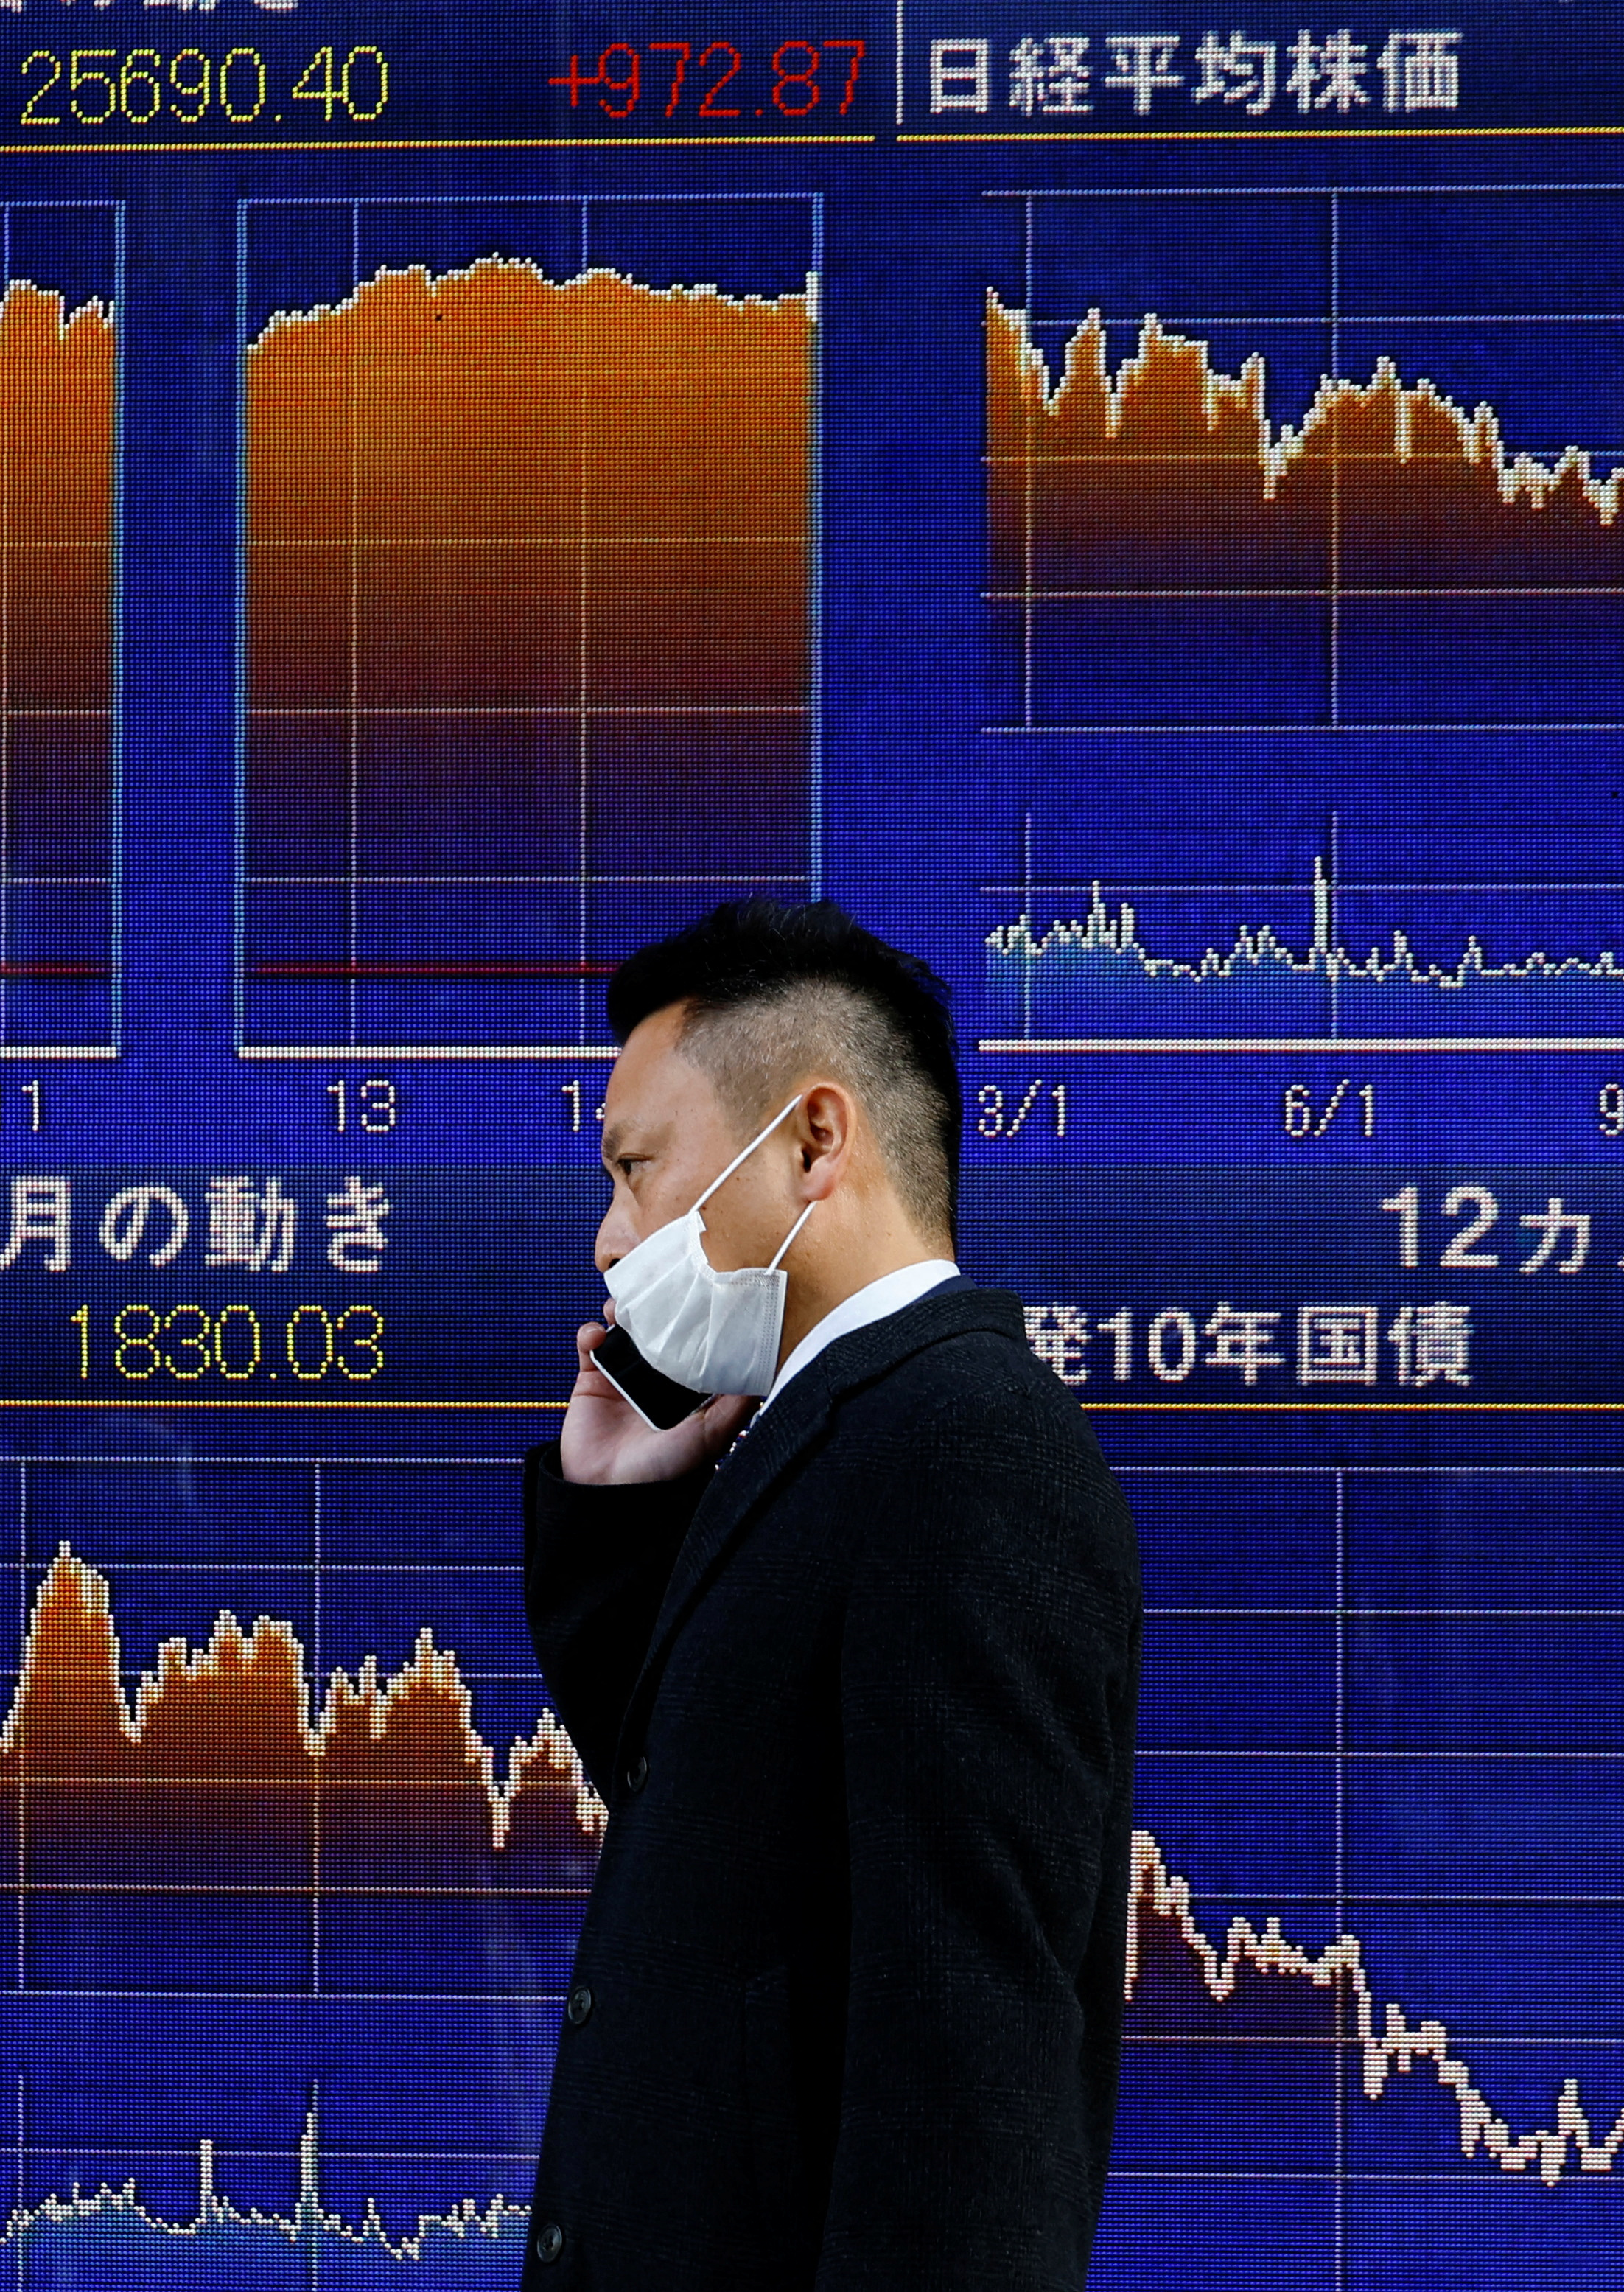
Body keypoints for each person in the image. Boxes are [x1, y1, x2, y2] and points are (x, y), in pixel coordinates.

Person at [517, 897, 1144, 2291]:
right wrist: (618, 1509)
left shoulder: (965, 1447)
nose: (611, 1241)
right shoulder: (827, 1434)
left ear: (811, 1138)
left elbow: (969, 2073)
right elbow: (715, 1840)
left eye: (635, 1168)